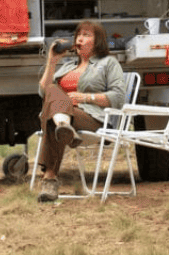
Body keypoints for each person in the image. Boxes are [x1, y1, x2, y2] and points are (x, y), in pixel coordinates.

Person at [35, 19, 126, 202]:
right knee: (52, 91)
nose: (80, 39)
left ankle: (50, 180)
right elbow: (43, 91)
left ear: (98, 40)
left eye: (86, 35)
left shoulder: (108, 63)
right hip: (66, 115)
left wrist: (85, 97)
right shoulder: (68, 66)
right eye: (79, 35)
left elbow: (118, 97)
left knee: (50, 115)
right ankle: (63, 126)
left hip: (92, 117)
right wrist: (52, 61)